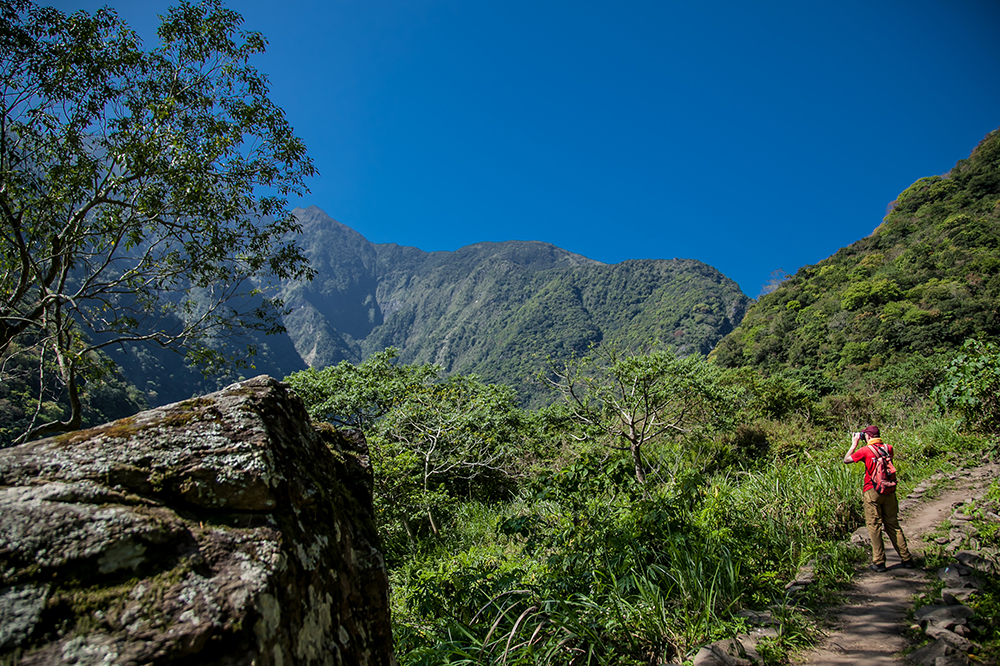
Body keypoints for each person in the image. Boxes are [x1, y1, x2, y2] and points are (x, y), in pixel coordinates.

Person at [843, 425, 915, 572]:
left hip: (872, 490)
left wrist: (854, 444)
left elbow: (846, 460)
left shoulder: (865, 451)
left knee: (874, 526)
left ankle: (879, 561)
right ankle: (906, 558)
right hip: (889, 490)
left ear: (867, 437)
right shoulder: (889, 448)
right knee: (893, 525)